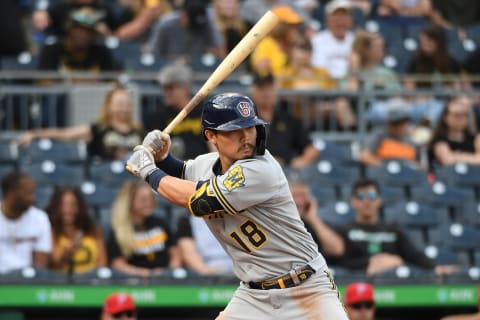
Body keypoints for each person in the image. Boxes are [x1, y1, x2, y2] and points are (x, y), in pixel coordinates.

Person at [126, 92, 349, 319]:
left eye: (250, 127)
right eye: (235, 130)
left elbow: (199, 200)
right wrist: (162, 158)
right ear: (211, 136)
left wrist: (148, 170)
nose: (246, 137)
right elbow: (181, 173)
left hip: (306, 287)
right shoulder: (207, 164)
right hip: (254, 296)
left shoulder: (261, 169)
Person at [334, 178, 458, 276]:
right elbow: (340, 262)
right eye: (361, 196)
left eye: (371, 196)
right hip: (357, 282)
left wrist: (434, 268)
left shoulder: (393, 230)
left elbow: (413, 255)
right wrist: (369, 263)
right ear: (353, 201)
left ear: (379, 200)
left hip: (391, 280)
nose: (367, 201)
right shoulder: (344, 230)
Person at [17, 84, 144, 162]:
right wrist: (34, 134)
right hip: (104, 177)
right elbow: (65, 134)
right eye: (119, 104)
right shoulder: (98, 129)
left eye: (127, 104)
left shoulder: (139, 131)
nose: (123, 108)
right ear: (109, 105)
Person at [106, 180, 181, 277]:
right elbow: (118, 264)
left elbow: (175, 254)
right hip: (135, 282)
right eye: (143, 199)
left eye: (151, 198)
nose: (148, 203)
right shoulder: (118, 231)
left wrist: (169, 272)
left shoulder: (160, 223)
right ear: (130, 201)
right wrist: (145, 274)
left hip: (164, 280)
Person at [250, 72, 320, 170]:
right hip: (257, 171)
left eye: (269, 89)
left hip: (287, 171)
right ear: (253, 91)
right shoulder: (247, 120)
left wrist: (301, 162)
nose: (266, 93)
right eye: (262, 89)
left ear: (275, 91)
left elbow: (311, 148)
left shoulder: (287, 118)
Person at [144, 63, 212, 160]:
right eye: (164, 88)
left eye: (171, 88)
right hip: (173, 171)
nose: (166, 93)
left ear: (186, 88)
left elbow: (215, 148)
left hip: (204, 169)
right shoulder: (159, 117)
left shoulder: (205, 112)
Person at [37, 6, 122, 75]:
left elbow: (110, 84)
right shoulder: (52, 51)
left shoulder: (102, 52)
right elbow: (44, 83)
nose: (83, 35)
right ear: (70, 29)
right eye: (79, 29)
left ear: (94, 35)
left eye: (89, 31)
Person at [45, 185, 107, 274]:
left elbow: (102, 265)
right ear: (56, 207)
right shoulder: (51, 233)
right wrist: (67, 255)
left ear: (79, 207)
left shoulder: (94, 231)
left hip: (92, 283)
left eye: (72, 204)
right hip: (64, 285)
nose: (67, 209)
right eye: (62, 204)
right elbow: (54, 266)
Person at [0, 170, 52, 274]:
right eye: (29, 193)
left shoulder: (40, 218)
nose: (33, 198)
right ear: (11, 192)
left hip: (26, 283)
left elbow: (40, 267)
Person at [146, 0, 224, 63]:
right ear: (184, 15)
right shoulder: (166, 24)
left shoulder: (206, 23)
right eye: (193, 23)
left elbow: (220, 52)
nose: (196, 28)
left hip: (197, 68)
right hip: (168, 67)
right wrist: (174, 59)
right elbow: (152, 53)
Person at [288, 175, 344, 258]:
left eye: (303, 196)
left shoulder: (316, 223)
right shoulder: (276, 221)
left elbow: (337, 249)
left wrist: (313, 219)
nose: (299, 202)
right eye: (295, 196)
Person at [359, 98, 422, 168]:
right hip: (383, 176)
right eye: (394, 123)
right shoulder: (379, 134)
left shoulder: (413, 136)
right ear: (388, 122)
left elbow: (420, 164)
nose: (397, 127)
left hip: (408, 175)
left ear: (406, 121)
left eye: (401, 123)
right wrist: (385, 167)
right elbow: (365, 156)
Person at [249, 4, 304, 77]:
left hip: (295, 86)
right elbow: (261, 72)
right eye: (291, 26)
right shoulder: (267, 43)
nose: (295, 29)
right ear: (280, 26)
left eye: (296, 26)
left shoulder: (296, 44)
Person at [428, 95, 480, 169]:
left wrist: (455, 156)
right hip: (448, 178)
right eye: (456, 115)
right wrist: (472, 157)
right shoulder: (439, 139)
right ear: (445, 117)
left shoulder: (475, 138)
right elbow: (446, 159)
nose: (461, 119)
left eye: (464, 115)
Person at [311, 0, 355, 80]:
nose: (340, 21)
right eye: (336, 16)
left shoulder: (356, 41)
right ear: (327, 20)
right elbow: (318, 66)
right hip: (325, 85)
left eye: (344, 16)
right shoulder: (316, 41)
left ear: (351, 20)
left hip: (350, 86)